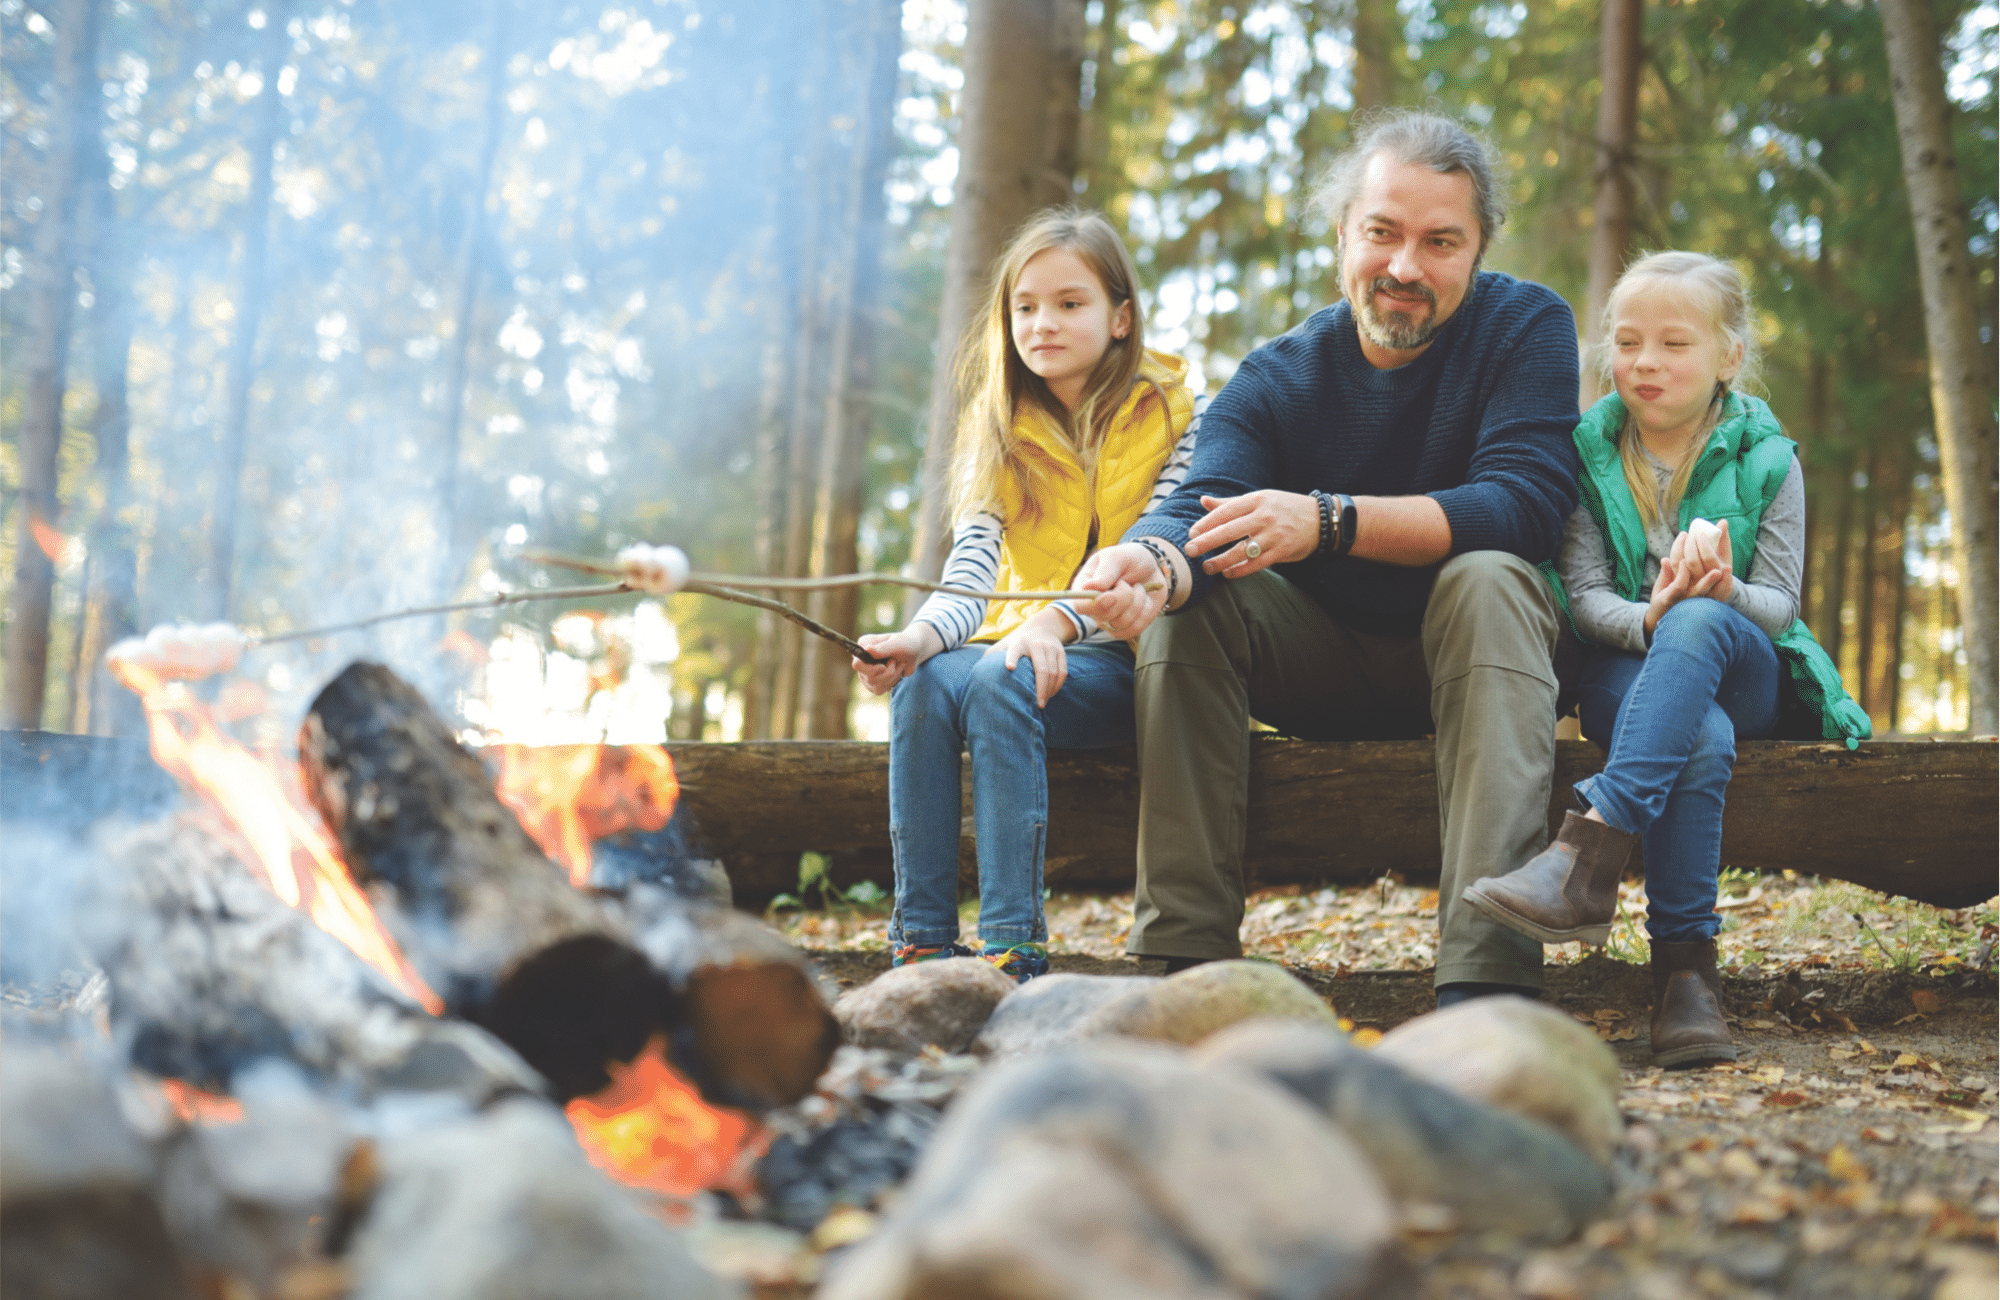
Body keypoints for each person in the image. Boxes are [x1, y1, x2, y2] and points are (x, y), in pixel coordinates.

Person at [1077, 110, 1581, 1007]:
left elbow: (1528, 505)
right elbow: (1197, 505)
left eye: (1440, 242)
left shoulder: (1525, 326)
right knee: (1188, 596)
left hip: (1474, 660)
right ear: (1342, 233)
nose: (1405, 268)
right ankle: (1182, 966)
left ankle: (1486, 981)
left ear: (1478, 251)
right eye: (1382, 233)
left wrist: (1331, 521)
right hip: (1316, 661)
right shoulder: (1279, 372)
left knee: (1493, 571)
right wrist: (1148, 564)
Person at [1460, 251, 1868, 1065]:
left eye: (1675, 344)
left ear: (1728, 356)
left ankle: (1589, 847)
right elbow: (1583, 597)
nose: (1645, 363)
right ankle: (1687, 978)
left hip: (1744, 664)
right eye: (1629, 342)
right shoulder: (1586, 453)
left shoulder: (1768, 459)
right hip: (1628, 667)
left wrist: (1714, 593)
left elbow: (1780, 603)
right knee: (1701, 739)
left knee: (1700, 626)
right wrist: (1654, 615)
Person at [852, 208, 1200, 984]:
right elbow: (973, 565)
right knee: (925, 683)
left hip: (1134, 660)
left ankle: (1013, 950)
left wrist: (1054, 623)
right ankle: (922, 943)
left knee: (998, 674)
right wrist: (918, 639)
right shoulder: (1000, 425)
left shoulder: (1180, 415)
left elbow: (1145, 557)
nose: (1042, 323)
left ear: (1121, 317)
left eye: (1069, 304)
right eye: (1025, 306)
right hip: (1020, 649)